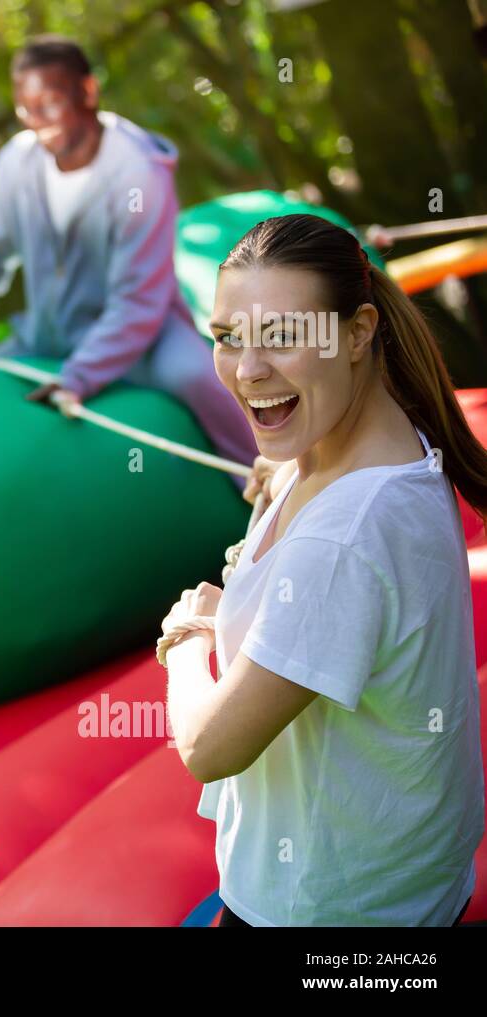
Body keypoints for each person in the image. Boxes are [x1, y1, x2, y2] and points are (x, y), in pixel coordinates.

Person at [159, 213, 486, 926]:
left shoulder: (341, 539)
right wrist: (285, 472)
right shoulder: (384, 436)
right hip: (412, 894)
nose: (247, 370)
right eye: (228, 337)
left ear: (360, 332)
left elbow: (208, 748)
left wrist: (187, 641)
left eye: (283, 337)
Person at [0, 34, 256, 472]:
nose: (37, 121)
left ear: (87, 92)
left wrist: (78, 377)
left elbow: (139, 301)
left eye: (49, 104)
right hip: (46, 337)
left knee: (199, 378)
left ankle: (264, 480)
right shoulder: (17, 162)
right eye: (25, 109)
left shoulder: (138, 174)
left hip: (145, 338)